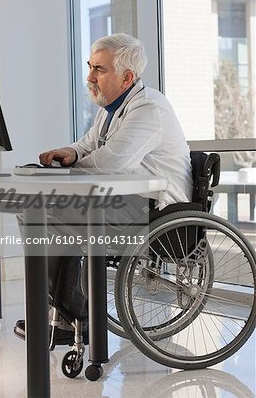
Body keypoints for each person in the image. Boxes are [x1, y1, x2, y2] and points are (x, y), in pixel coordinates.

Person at [14, 33, 193, 345]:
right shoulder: (111, 108)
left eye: (99, 69)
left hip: (157, 211)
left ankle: (70, 318)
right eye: (90, 67)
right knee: (34, 207)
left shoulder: (149, 108)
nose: (89, 76)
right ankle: (66, 314)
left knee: (48, 211)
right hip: (129, 202)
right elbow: (88, 146)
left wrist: (64, 173)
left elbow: (111, 162)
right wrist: (69, 153)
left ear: (126, 77)